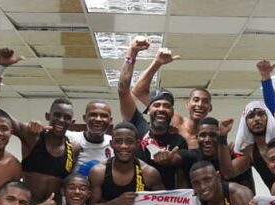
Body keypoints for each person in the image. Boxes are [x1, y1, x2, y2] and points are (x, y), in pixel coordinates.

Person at [0, 48, 80, 205]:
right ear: (48, 116)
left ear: (72, 123)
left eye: (67, 117)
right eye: (57, 115)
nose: (61, 120)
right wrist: (0, 69)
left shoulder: (73, 149)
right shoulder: (31, 135)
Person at [118, 37, 188, 190]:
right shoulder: (137, 125)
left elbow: (181, 176)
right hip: (134, 197)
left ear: (172, 112)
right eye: (156, 105)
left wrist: (170, 159)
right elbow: (123, 89)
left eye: (167, 106)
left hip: (165, 200)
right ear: (148, 109)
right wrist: (132, 52)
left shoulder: (179, 140)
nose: (161, 109)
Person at [131, 47, 211, 149]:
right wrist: (157, 63)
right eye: (196, 100)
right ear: (187, 104)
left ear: (210, 107)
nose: (200, 104)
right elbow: (138, 91)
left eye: (205, 101)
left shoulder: (209, 136)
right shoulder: (175, 120)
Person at [65, 100, 114, 175]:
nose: (98, 119)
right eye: (93, 115)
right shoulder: (70, 137)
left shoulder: (114, 144)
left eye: (103, 116)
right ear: (84, 118)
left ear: (110, 120)